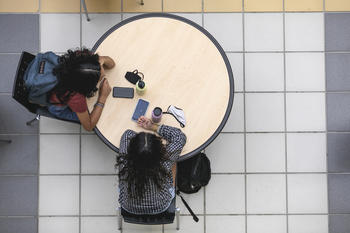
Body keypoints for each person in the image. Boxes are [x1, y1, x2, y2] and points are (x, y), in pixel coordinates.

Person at [117, 116, 186, 214]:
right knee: (174, 161)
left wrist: (141, 145)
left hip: (128, 206)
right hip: (161, 206)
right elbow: (179, 137)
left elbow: (128, 134)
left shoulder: (125, 163)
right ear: (160, 152)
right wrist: (153, 127)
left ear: (131, 152)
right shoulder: (164, 163)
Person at [48, 48, 114, 131]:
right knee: (94, 115)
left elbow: (112, 65)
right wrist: (102, 98)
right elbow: (89, 126)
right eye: (99, 79)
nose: (103, 74)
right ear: (87, 86)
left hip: (58, 84)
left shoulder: (82, 57)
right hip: (56, 106)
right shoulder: (76, 98)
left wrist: (100, 60)